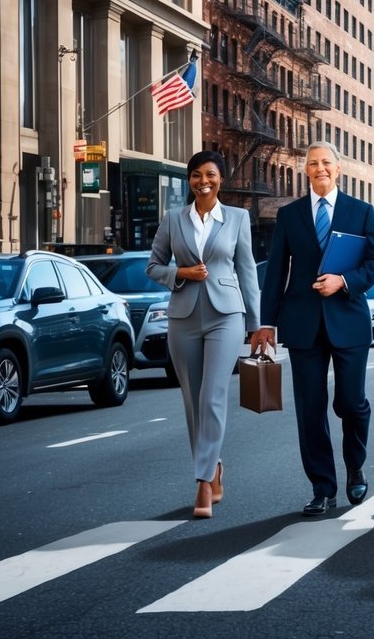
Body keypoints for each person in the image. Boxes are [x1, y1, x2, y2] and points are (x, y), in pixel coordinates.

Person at [250, 142, 374, 517]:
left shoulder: (360, 211)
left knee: (351, 403)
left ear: (338, 169)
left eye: (326, 162)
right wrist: (267, 323)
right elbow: (276, 271)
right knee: (310, 409)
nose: (320, 168)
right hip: (303, 324)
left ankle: (355, 464)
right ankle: (322, 488)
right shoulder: (290, 215)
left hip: (349, 320)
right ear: (305, 170)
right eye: (313, 164)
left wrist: (343, 281)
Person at [147, 150, 261, 520]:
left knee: (213, 395)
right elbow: (153, 266)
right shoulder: (172, 219)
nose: (202, 181)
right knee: (192, 400)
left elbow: (247, 273)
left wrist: (257, 325)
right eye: (196, 175)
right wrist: (181, 273)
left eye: (209, 174)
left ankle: (202, 480)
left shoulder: (238, 218)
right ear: (189, 180)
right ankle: (214, 467)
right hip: (183, 316)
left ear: (221, 179)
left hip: (226, 315)